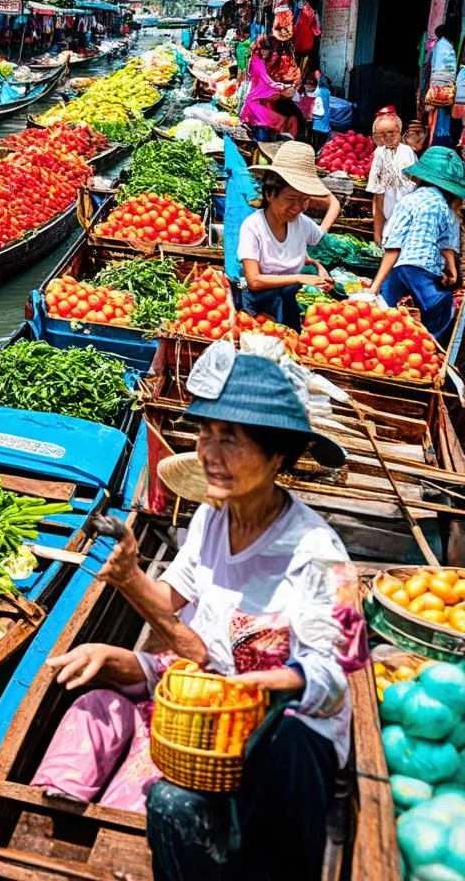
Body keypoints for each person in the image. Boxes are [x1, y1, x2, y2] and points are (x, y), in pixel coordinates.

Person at [31, 350, 359, 881]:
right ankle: (56, 830)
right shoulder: (210, 517)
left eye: (230, 436)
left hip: (273, 728)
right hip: (198, 690)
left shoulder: (320, 553)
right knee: (93, 698)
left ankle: (154, 842)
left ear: (280, 456)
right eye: (205, 433)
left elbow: (336, 677)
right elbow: (170, 606)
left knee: (172, 801)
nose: (208, 451)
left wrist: (235, 686)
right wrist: (129, 575)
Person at [365, 145, 464, 344]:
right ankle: (429, 346)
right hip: (424, 270)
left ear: (420, 177)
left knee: (384, 307)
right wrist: (452, 270)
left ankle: (379, 342)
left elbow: (394, 245)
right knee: (440, 305)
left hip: (400, 267)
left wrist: (375, 285)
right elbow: (447, 244)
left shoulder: (408, 201)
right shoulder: (446, 209)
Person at [239, 142, 341, 330]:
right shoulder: (253, 227)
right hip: (258, 309)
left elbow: (333, 204)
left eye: (304, 200)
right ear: (270, 194)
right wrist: (299, 278)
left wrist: (317, 265)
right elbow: (253, 281)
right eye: (291, 199)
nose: (298, 208)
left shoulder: (303, 224)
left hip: (287, 306)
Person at [366, 108, 417, 245]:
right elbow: (379, 197)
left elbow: (416, 181)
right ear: (376, 137)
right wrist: (378, 235)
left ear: (399, 132)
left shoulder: (407, 152)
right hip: (391, 219)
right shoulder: (380, 154)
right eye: (382, 134)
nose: (387, 137)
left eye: (391, 133)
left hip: (410, 215)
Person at [240, 35, 300, 140]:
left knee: (266, 128)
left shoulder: (264, 60)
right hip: (255, 100)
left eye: (266, 49)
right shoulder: (257, 60)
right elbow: (266, 80)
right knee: (271, 125)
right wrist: (282, 86)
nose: (263, 51)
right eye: (261, 49)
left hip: (260, 99)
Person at [427, 23, 458, 148]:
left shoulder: (441, 46)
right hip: (443, 88)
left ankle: (437, 142)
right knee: (440, 117)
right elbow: (445, 69)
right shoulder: (445, 46)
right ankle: (439, 143)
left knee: (438, 117)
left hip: (439, 86)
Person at [307, 72, 331, 150]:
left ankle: (315, 152)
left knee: (315, 141)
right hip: (322, 121)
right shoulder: (326, 92)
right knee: (320, 142)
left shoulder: (320, 92)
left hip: (317, 122)